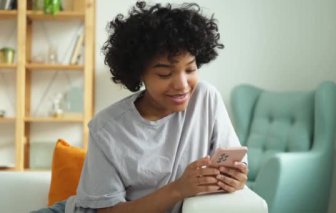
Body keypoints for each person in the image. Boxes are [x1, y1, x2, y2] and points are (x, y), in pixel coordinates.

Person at [65, 1, 247, 213]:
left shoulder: (206, 99)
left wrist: (236, 179)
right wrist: (178, 189)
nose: (182, 85)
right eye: (164, 74)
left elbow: (234, 168)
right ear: (139, 73)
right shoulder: (107, 128)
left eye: (190, 69)